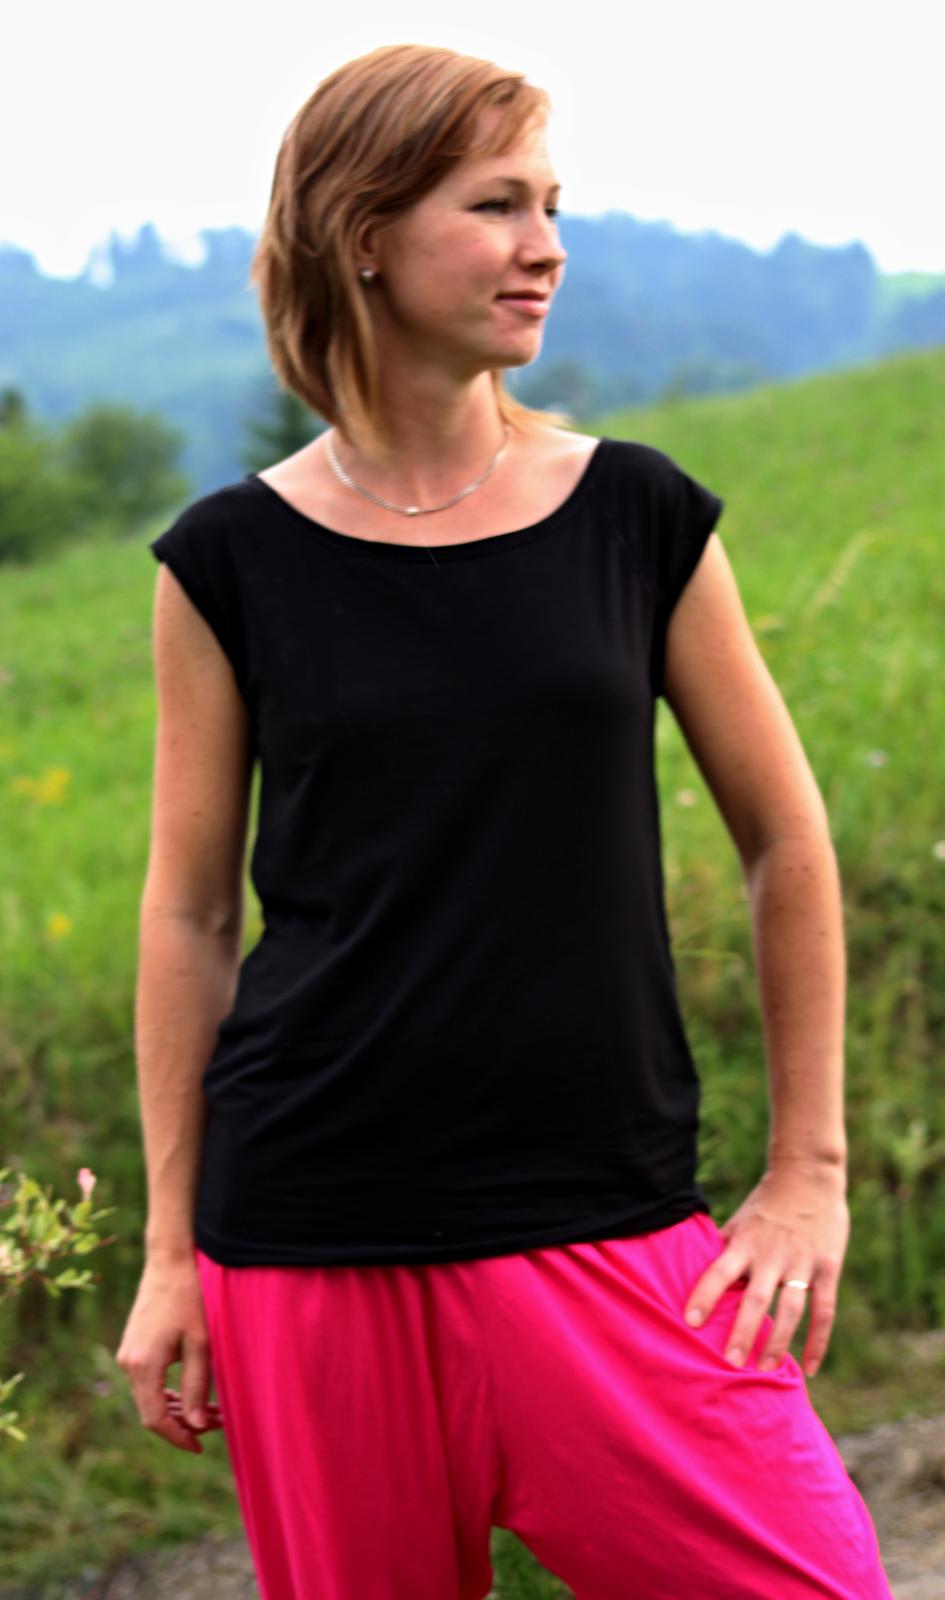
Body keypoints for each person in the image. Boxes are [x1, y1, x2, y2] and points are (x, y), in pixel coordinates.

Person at [116, 42, 895, 1600]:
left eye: (552, 205)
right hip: (308, 1239)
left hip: (604, 1219)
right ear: (363, 233)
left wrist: (807, 1166)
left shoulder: (635, 515)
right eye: (496, 206)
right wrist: (168, 1251)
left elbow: (783, 840)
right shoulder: (225, 562)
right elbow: (190, 916)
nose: (545, 246)